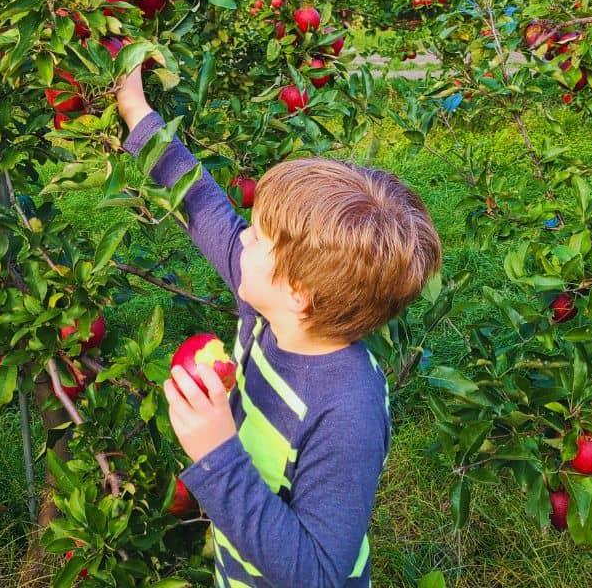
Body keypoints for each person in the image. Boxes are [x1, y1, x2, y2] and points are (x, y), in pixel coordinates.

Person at [116, 66, 442, 588]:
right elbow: (203, 206)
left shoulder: (348, 413)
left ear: (299, 293)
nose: (243, 239)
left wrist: (217, 455)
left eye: (261, 239)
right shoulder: (268, 311)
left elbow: (316, 574)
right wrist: (135, 107)